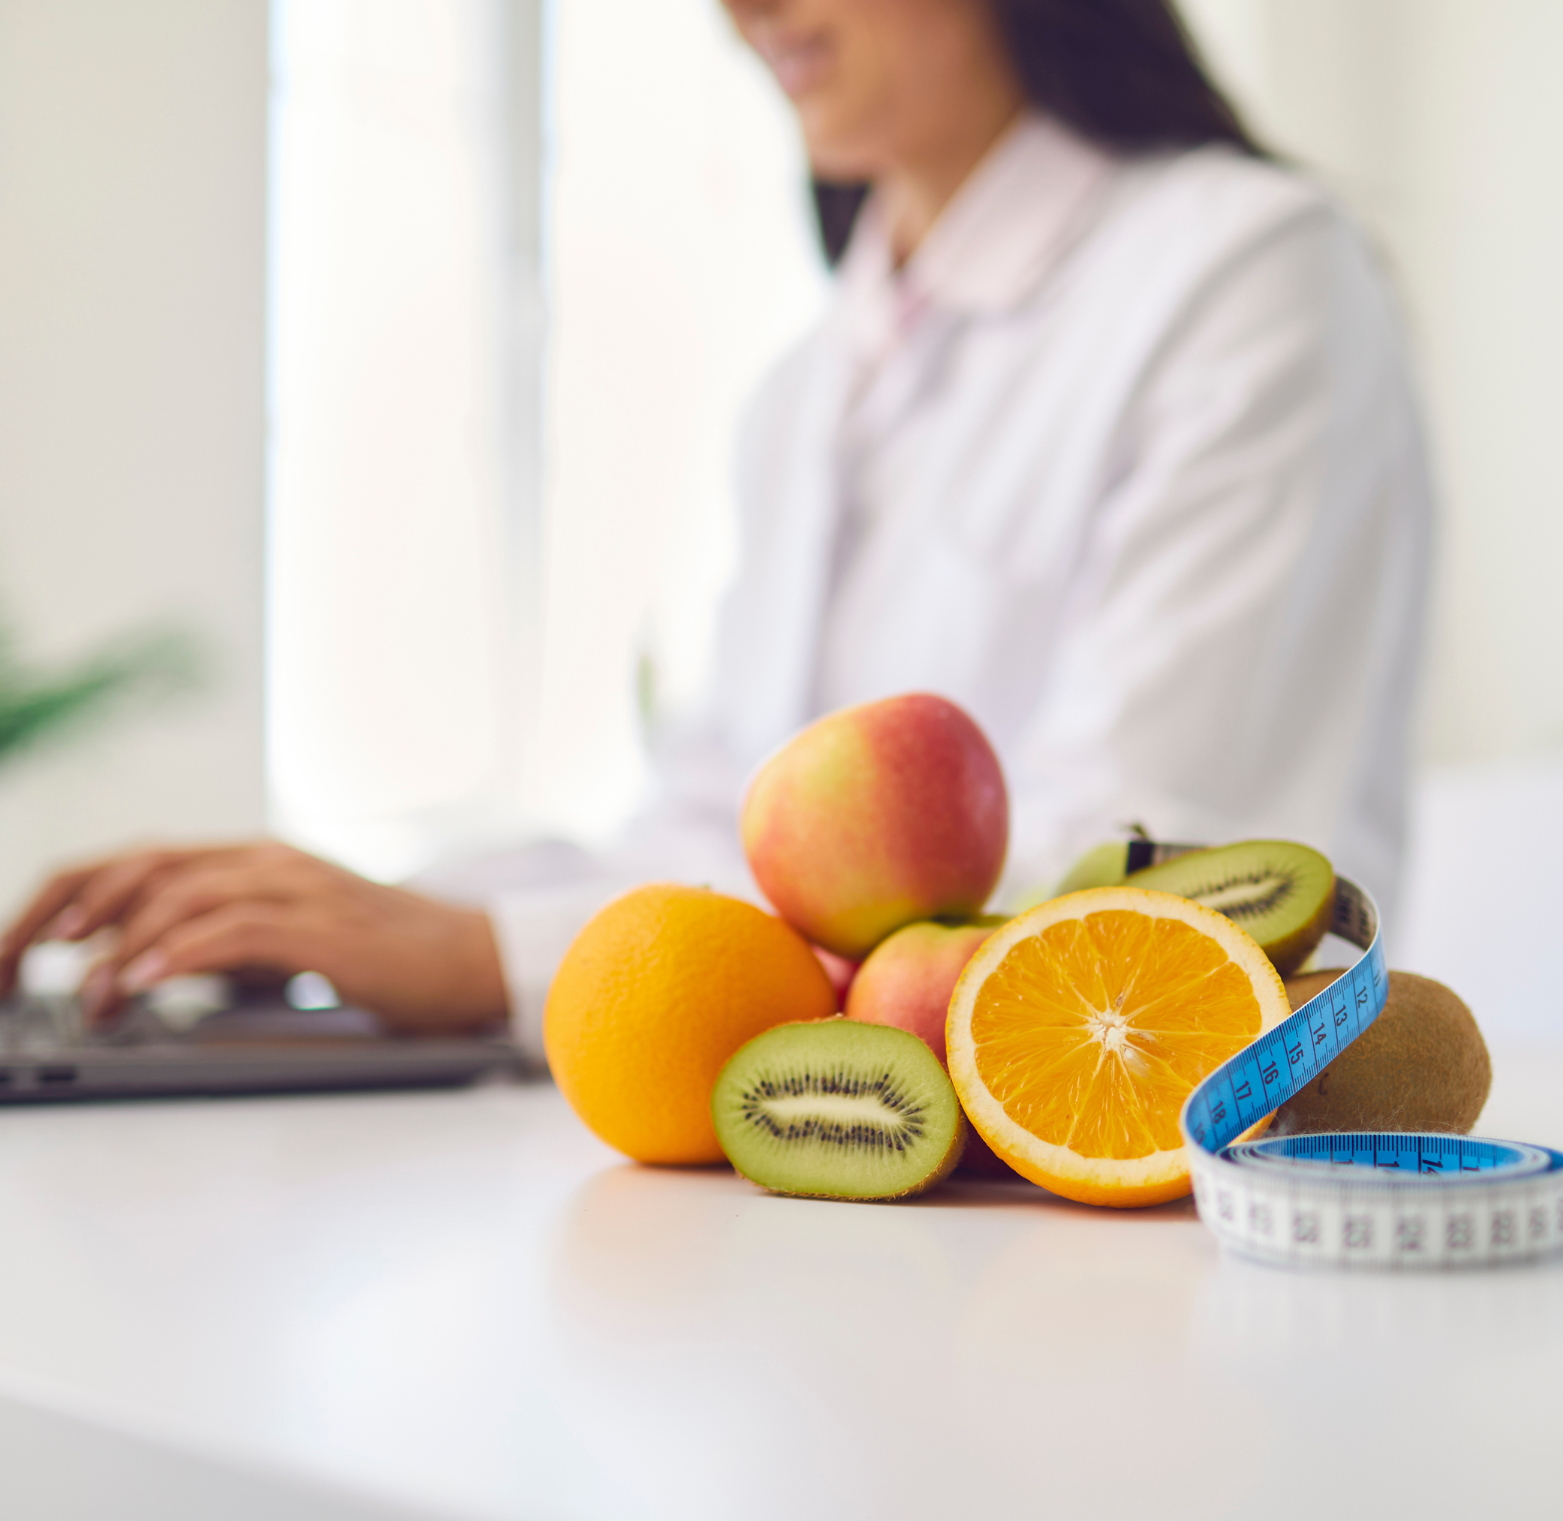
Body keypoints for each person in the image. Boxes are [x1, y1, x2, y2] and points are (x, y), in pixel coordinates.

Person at [0, 0, 1431, 1061]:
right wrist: (359, 917)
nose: (736, 10)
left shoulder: (1246, 275)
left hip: (1110, 1166)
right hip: (830, 1189)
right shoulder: (807, 384)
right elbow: (710, 835)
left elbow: (1153, 865)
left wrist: (490, 956)